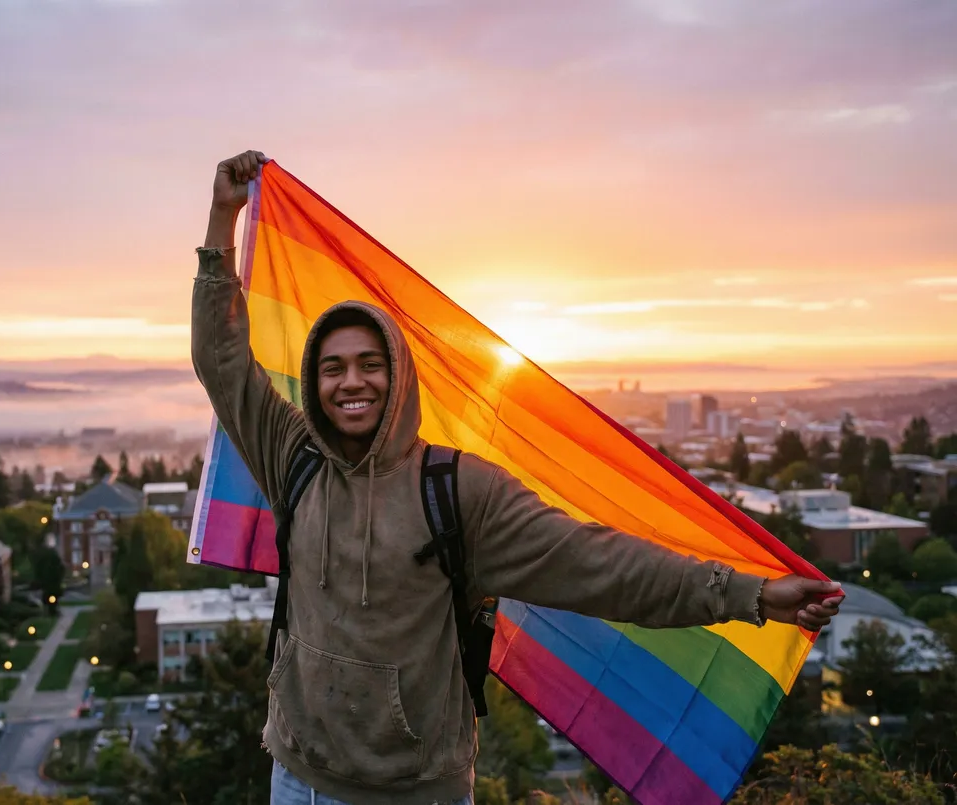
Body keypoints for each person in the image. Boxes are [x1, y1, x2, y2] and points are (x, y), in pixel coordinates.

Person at [192, 150, 843, 805]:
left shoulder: (456, 492)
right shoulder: (293, 455)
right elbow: (222, 360)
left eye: (370, 363)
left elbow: (604, 566)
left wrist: (752, 594)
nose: (351, 381)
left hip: (417, 792)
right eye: (333, 368)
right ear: (313, 380)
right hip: (296, 776)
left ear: (399, 376)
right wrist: (224, 219)